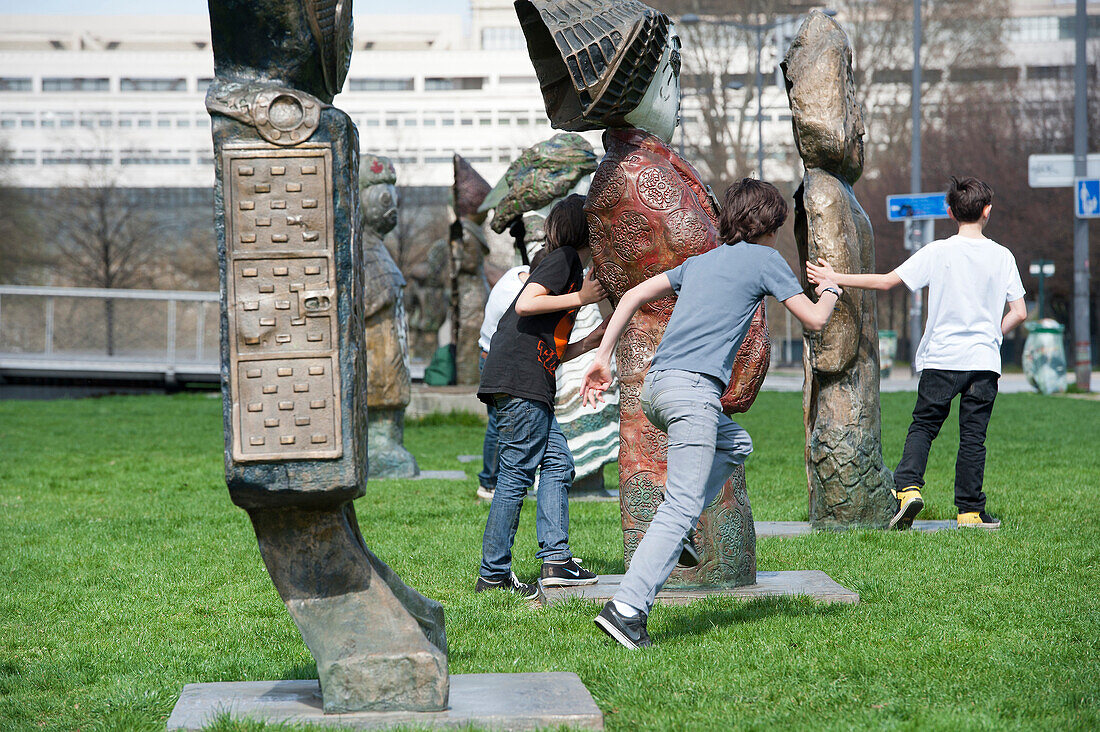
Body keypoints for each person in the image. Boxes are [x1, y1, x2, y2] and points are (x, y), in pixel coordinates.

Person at [580, 179, 844, 648]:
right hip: (693, 394)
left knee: (737, 443)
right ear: (771, 223)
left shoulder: (699, 262)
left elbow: (629, 297)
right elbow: (815, 319)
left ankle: (674, 535)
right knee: (681, 506)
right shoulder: (766, 260)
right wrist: (832, 289)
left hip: (657, 389)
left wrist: (601, 357)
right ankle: (626, 610)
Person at [808, 176, 1027, 532]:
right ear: (988, 211)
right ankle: (970, 512)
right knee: (974, 437)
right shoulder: (1003, 256)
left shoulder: (938, 251)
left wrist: (836, 276)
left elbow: (886, 282)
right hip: (984, 363)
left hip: (942, 359)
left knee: (924, 426)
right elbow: (1019, 312)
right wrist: (991, 334)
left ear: (950, 211)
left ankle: (908, 488)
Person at [476, 195, 608, 599]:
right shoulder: (563, 258)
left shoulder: (564, 266)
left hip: (519, 379)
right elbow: (528, 303)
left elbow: (547, 343)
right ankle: (493, 574)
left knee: (557, 463)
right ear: (586, 228)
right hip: (521, 383)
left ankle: (556, 559)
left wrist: (589, 343)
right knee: (515, 474)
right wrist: (582, 298)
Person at [476, 259, 532, 501]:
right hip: (495, 360)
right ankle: (489, 482)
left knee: (498, 424)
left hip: (488, 354)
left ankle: (493, 480)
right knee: (499, 424)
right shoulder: (518, 296)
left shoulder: (516, 273)